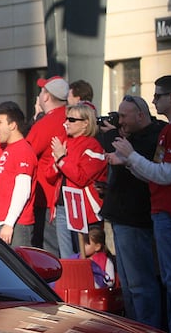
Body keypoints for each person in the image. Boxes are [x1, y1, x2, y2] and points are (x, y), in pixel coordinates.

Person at [109, 75, 171, 333]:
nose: (153, 100)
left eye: (158, 96)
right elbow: (157, 174)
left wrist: (132, 156)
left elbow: (166, 175)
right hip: (166, 211)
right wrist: (127, 161)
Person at [99, 95, 163, 328]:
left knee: (140, 285)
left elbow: (149, 170)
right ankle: (135, 326)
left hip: (136, 220)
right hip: (120, 217)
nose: (120, 121)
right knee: (128, 285)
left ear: (141, 115)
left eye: (124, 116)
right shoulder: (131, 136)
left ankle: (147, 327)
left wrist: (114, 140)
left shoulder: (155, 137)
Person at [47, 103, 107, 258]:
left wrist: (61, 159)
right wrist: (58, 162)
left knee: (85, 255)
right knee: (67, 258)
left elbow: (81, 178)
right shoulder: (63, 141)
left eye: (72, 120)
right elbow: (49, 175)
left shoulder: (93, 146)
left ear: (85, 123)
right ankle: (71, 283)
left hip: (83, 209)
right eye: (66, 119)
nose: (66, 123)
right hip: (62, 206)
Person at [0, 102, 37, 247]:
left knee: (17, 268)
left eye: (0, 122)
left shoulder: (23, 150)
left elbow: (22, 191)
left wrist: (9, 224)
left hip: (16, 225)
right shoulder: (5, 150)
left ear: (12, 125)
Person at [26, 75, 69, 256]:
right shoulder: (70, 116)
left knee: (47, 253)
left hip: (46, 198)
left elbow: (26, 153)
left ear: (46, 97)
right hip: (63, 197)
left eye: (41, 91)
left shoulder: (46, 123)